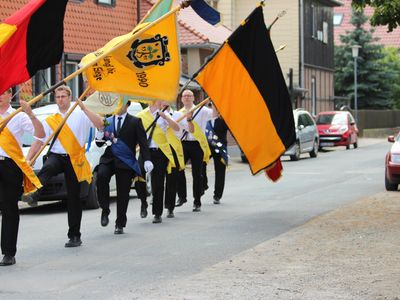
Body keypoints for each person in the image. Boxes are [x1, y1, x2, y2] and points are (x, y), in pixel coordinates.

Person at [26, 85, 104, 248]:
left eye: (63, 96)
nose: (60, 100)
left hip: (74, 159)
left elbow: (100, 124)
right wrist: (29, 159)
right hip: (56, 155)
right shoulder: (51, 118)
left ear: (69, 98)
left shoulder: (79, 114)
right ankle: (35, 192)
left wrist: (84, 108)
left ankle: (74, 235)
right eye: (58, 97)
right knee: (48, 167)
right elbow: (39, 140)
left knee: (73, 198)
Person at [0, 88, 45, 266]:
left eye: (2, 92)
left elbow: (40, 134)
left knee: (9, 208)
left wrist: (30, 113)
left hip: (11, 165)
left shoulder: (17, 115)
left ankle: (9, 252)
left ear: (10, 95)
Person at [95, 101, 152, 234]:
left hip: (125, 161)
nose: (117, 107)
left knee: (123, 192)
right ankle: (105, 209)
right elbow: (99, 144)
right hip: (108, 158)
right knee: (101, 176)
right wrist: (100, 131)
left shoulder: (135, 121)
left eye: (120, 104)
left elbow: (143, 143)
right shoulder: (107, 121)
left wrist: (147, 160)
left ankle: (120, 223)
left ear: (127, 105)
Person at [137, 101, 179, 223]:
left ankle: (157, 213)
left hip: (160, 152)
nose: (161, 101)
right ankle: (143, 202)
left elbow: (176, 128)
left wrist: (165, 117)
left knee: (158, 183)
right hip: (145, 152)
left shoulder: (164, 114)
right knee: (138, 175)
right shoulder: (141, 115)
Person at [176, 90, 212, 212]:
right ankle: (182, 196)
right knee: (179, 169)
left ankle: (197, 201)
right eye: (184, 96)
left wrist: (215, 101)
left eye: (189, 96)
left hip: (197, 144)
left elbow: (215, 114)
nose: (186, 98)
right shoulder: (178, 113)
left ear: (193, 98)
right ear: (181, 99)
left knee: (197, 173)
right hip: (183, 143)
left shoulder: (202, 110)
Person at [161, 102, 193, 218]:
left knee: (172, 178)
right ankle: (156, 206)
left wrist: (189, 120)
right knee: (158, 179)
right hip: (159, 149)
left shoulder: (178, 114)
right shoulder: (153, 115)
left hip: (173, 148)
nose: (164, 101)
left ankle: (170, 207)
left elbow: (189, 129)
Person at [202, 102, 229, 204]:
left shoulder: (223, 119)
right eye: (212, 106)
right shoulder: (205, 120)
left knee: (220, 172)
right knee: (201, 165)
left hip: (220, 148)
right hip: (207, 148)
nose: (215, 108)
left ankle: (217, 195)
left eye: (217, 106)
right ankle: (204, 183)